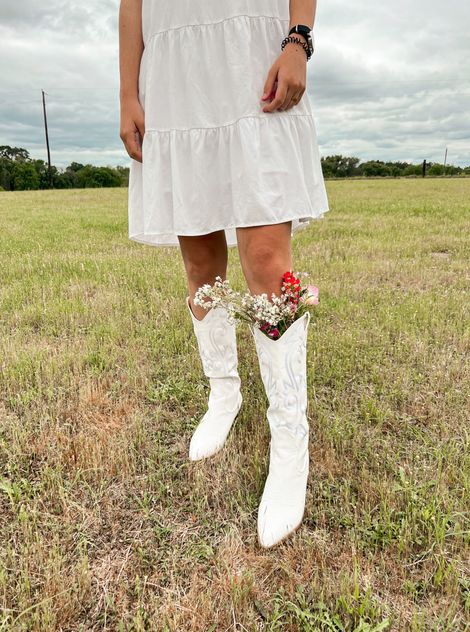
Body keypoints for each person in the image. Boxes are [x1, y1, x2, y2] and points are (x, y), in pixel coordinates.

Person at [119, 0, 329, 548]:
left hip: (250, 54)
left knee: (267, 263)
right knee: (200, 264)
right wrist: (127, 93)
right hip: (175, 71)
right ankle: (224, 392)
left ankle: (290, 439)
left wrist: (298, 38)